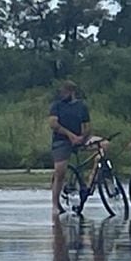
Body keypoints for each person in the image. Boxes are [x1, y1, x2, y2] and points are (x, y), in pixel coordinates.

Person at [48, 81, 92, 215]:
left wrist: (82, 137)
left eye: (65, 92)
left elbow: (87, 125)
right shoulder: (56, 106)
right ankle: (55, 203)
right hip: (62, 140)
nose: (62, 94)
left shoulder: (81, 106)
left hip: (80, 139)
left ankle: (91, 182)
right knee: (60, 171)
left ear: (71, 92)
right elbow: (53, 124)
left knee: (104, 145)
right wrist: (70, 135)